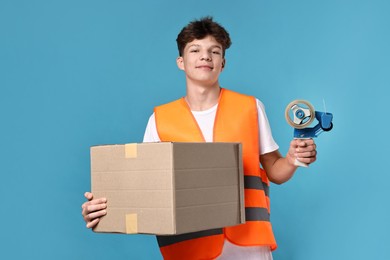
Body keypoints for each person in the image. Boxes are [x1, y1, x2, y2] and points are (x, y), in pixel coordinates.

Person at [82, 17, 317, 260]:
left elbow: (275, 171)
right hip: (189, 249)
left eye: (214, 51)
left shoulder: (250, 107)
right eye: (195, 50)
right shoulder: (160, 120)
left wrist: (292, 159)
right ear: (181, 62)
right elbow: (145, 190)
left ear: (222, 63)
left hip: (248, 246)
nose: (205, 56)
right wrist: (104, 208)